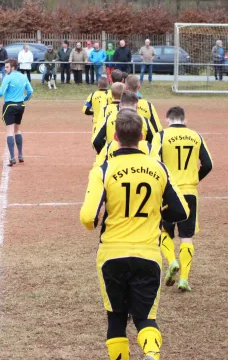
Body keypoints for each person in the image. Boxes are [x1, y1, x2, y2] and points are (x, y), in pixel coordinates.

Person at [80, 109, 189, 360]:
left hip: (111, 254)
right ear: (142, 136)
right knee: (146, 318)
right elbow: (181, 211)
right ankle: (151, 352)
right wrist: (155, 211)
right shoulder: (158, 168)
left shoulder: (103, 170)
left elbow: (88, 218)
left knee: (116, 318)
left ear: (115, 137)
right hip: (148, 254)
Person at [151, 106, 213, 292]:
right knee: (187, 236)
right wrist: (194, 179)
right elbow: (208, 164)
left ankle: (172, 261)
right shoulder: (196, 136)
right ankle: (184, 279)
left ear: (167, 120)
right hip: (189, 192)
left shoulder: (160, 136)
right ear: (184, 120)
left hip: (168, 193)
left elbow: (153, 163)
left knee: (164, 231)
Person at [0, 58, 33, 166]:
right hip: (20, 105)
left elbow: (1, 92)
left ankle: (12, 157)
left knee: (9, 131)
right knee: (17, 130)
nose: (5, 69)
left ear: (13, 67)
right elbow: (30, 91)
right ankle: (20, 155)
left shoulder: (8, 77)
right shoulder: (24, 77)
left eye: (7, 67)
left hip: (10, 105)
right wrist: (25, 98)